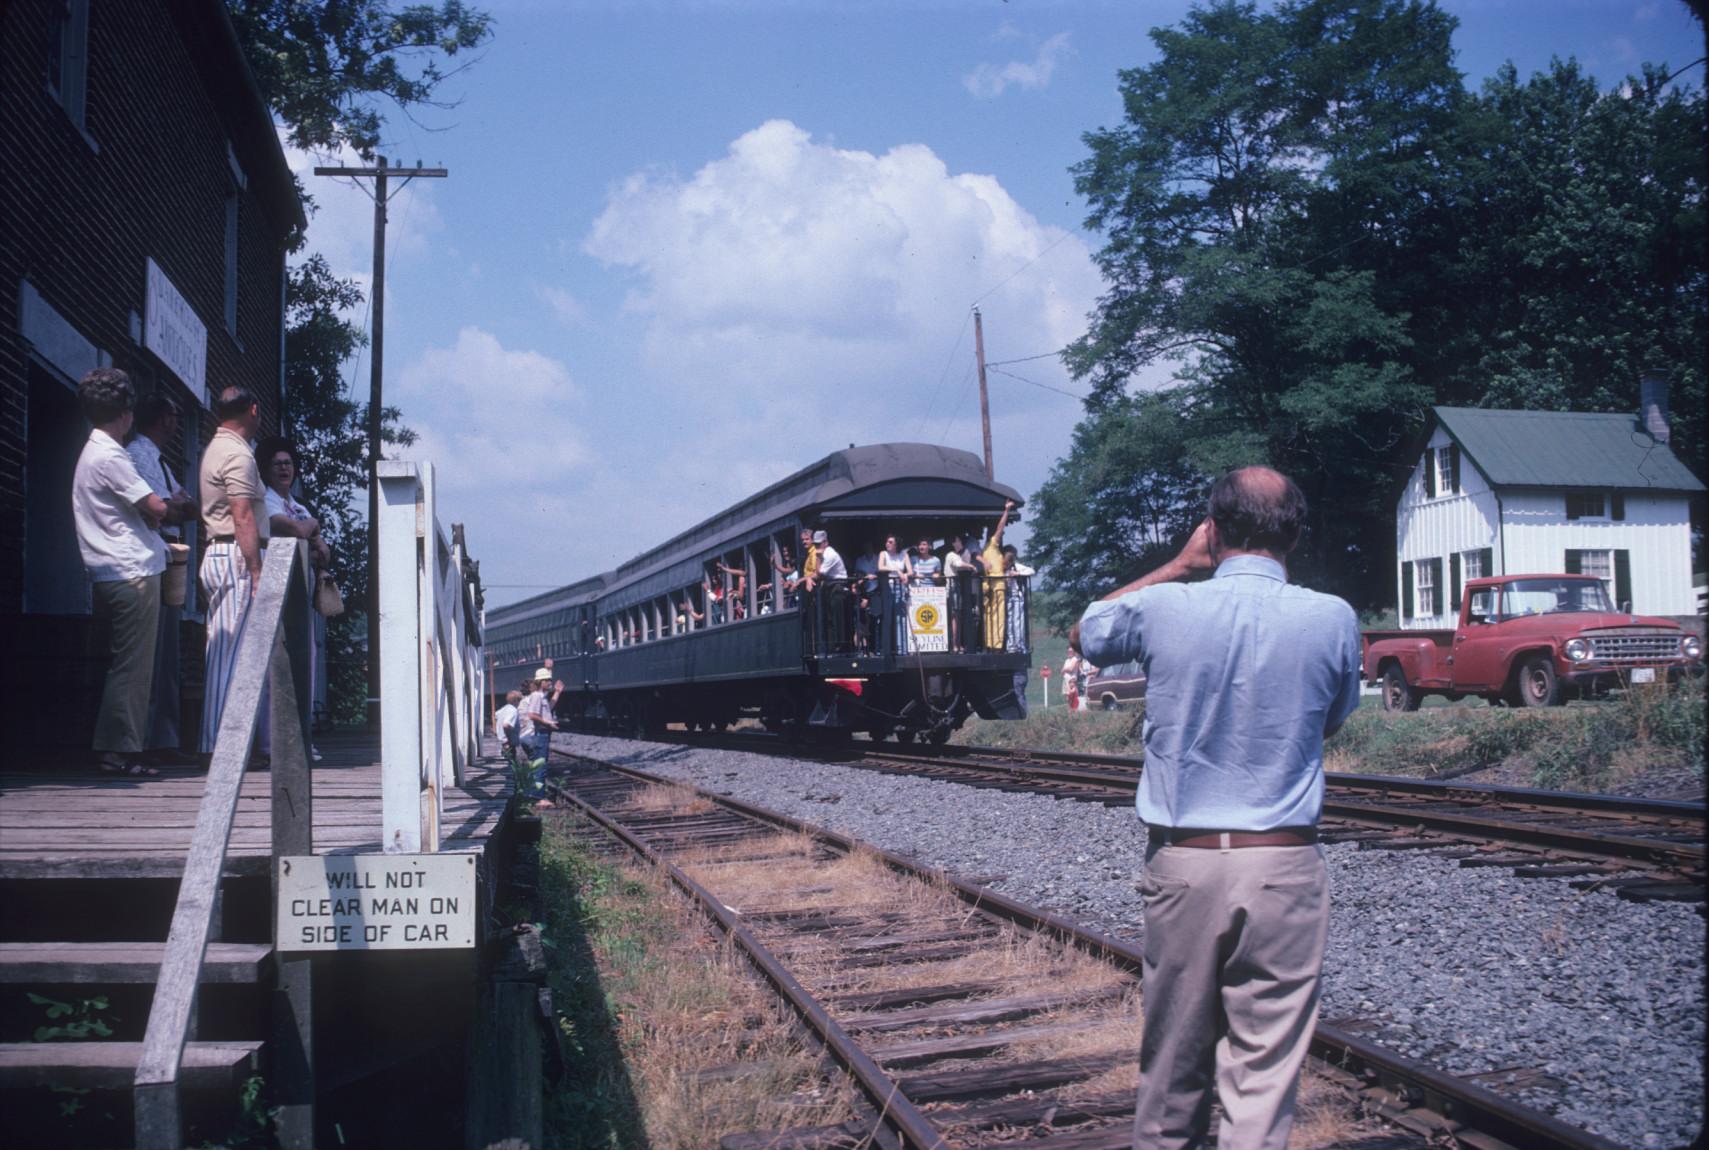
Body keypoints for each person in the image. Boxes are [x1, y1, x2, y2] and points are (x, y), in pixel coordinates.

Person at [1069, 467, 1361, 1150]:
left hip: (1187, 862)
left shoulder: (1167, 605)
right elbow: (1327, 722)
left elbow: (1088, 632)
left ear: (1215, 529)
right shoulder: (1333, 617)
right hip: (1286, 864)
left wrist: (1177, 563)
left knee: (1172, 1066)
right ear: (1294, 533)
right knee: (1262, 1075)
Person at [72, 368, 171, 776]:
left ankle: (119, 747)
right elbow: (157, 506)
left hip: (110, 571)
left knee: (121, 663)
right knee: (133, 666)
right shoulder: (111, 455)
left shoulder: (91, 451)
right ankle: (120, 752)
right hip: (131, 571)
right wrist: (164, 510)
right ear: (126, 412)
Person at [126, 392, 199, 763]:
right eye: (173, 413)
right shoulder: (138, 454)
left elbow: (185, 504)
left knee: (166, 652)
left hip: (168, 557)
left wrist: (180, 507)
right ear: (162, 418)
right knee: (154, 652)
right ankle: (150, 741)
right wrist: (177, 508)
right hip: (153, 555)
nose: (177, 420)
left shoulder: (159, 459)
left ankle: (163, 738)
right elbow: (168, 510)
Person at [198, 386, 269, 757]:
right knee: (228, 655)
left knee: (226, 651)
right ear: (253, 409)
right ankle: (219, 748)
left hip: (222, 553)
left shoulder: (217, 448)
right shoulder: (237, 455)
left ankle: (223, 744)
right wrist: (257, 571)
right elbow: (242, 515)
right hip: (235, 556)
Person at [258, 437, 332, 761]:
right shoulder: (267, 500)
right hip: (276, 591)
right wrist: (311, 528)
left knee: (304, 664)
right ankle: (268, 743)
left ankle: (300, 740)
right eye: (278, 464)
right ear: (267, 470)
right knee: (275, 665)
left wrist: (310, 530)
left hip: (301, 595)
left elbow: (324, 551)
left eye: (288, 463)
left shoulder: (298, 505)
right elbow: (292, 529)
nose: (285, 468)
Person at [981, 500, 1015, 650]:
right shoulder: (992, 546)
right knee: (998, 616)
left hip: (992, 585)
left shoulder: (988, 551)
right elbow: (1000, 528)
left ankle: (992, 643)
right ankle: (996, 645)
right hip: (996, 584)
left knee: (992, 616)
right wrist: (1006, 511)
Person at [494, 690, 522, 765]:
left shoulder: (504, 708)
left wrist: (496, 729)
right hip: (509, 742)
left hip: (503, 741)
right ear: (517, 701)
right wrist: (508, 739)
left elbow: (495, 715)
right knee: (514, 764)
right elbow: (506, 725)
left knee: (509, 762)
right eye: (520, 700)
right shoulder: (513, 711)